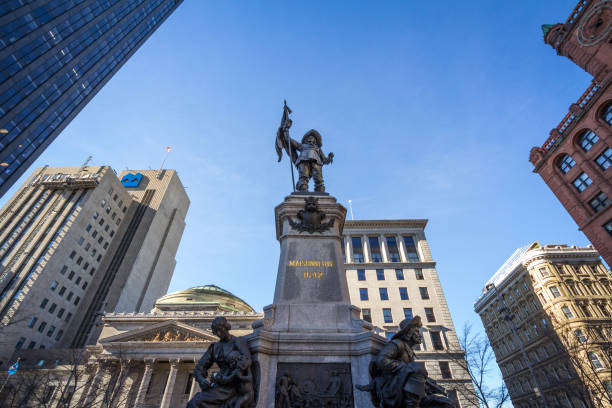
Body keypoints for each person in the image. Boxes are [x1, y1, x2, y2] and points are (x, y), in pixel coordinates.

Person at [356, 316, 456, 408]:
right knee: (416, 368)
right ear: (409, 333)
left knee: (448, 404)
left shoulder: (409, 350)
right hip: (394, 390)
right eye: (416, 332)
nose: (419, 334)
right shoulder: (396, 344)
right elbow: (382, 360)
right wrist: (406, 368)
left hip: (414, 391)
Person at [187, 317, 254, 408]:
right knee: (194, 402)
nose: (218, 333)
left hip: (233, 385)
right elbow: (200, 366)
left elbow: (247, 360)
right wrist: (202, 380)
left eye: (220, 330)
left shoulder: (238, 341)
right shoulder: (214, 347)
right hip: (219, 385)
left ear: (226, 327)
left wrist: (228, 376)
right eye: (216, 331)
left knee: (197, 402)